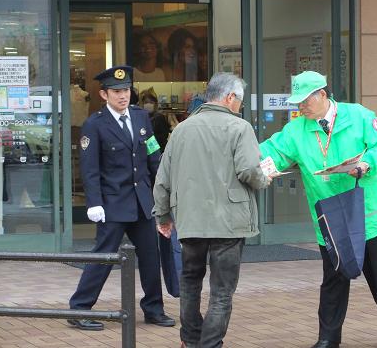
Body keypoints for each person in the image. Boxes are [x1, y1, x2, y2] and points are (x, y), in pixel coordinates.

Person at [259, 71, 377, 348]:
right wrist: (251, 161)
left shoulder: (358, 115)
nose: (301, 107)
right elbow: (272, 151)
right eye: (297, 102)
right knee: (334, 277)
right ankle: (328, 337)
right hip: (330, 215)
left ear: (322, 95)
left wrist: (366, 164)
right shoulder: (296, 130)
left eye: (305, 101)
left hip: (367, 212)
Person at [153, 72, 271, 348]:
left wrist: (163, 215)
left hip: (190, 220)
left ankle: (190, 340)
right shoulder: (239, 127)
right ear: (230, 97)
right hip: (229, 222)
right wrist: (264, 178)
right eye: (240, 100)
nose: (240, 106)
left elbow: (162, 179)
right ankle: (210, 344)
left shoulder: (182, 129)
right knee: (221, 291)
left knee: (190, 282)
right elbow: (249, 171)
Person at [68, 65, 175, 331]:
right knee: (104, 258)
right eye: (116, 91)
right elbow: (90, 169)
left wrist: (163, 191)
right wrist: (94, 203)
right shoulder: (94, 124)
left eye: (126, 90)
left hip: (142, 202)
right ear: (104, 95)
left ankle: (154, 309)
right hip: (113, 204)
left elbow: (152, 155)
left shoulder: (140, 117)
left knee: (150, 258)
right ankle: (79, 308)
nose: (123, 95)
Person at [139, 88, 171, 152]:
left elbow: (163, 137)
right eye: (146, 102)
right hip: (143, 151)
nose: (148, 104)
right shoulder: (140, 117)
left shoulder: (159, 118)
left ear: (155, 104)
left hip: (157, 151)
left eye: (151, 102)